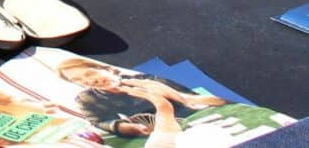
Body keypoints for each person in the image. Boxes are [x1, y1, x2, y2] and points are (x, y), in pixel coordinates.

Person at [56, 59, 226, 140]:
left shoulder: (148, 78)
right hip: (154, 131)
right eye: (78, 80)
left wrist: (177, 97)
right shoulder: (87, 99)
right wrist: (126, 127)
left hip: (190, 118)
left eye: (89, 73)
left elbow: (206, 100)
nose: (88, 80)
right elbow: (99, 121)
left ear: (102, 67)